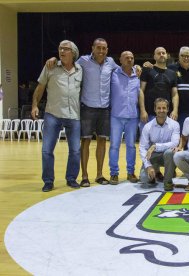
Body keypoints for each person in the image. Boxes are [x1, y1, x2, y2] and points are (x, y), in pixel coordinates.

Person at [46, 38, 118, 186]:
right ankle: (84, 176)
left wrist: (137, 66)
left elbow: (124, 68)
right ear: (92, 48)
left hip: (104, 108)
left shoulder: (111, 63)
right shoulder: (83, 61)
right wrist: (54, 59)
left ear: (107, 50)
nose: (101, 51)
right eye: (98, 47)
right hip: (87, 108)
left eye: (104, 48)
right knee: (85, 141)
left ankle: (99, 175)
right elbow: (67, 63)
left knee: (102, 141)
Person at [31, 40, 82, 192]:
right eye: (60, 49)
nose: (62, 51)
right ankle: (48, 181)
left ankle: (71, 178)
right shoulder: (50, 67)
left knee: (75, 150)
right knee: (47, 150)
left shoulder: (80, 69)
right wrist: (34, 105)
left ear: (73, 53)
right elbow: (40, 88)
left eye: (66, 49)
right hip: (53, 113)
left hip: (73, 115)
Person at [108, 51, 143, 185]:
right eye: (126, 58)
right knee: (114, 146)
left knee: (131, 146)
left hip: (133, 116)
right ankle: (114, 174)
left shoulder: (138, 75)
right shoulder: (114, 73)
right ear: (120, 60)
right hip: (116, 116)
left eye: (132, 58)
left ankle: (130, 172)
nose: (129, 60)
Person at [139, 98, 180, 191]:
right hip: (153, 156)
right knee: (144, 178)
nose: (161, 110)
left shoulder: (175, 125)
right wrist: (148, 166)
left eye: (164, 108)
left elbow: (175, 143)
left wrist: (155, 146)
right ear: (155, 109)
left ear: (168, 109)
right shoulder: (147, 126)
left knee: (170, 153)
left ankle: (168, 182)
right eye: (159, 108)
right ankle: (155, 171)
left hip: (167, 156)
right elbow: (142, 148)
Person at [139, 47, 179, 131]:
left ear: (167, 56)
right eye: (158, 53)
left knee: (165, 143)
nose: (161, 55)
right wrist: (142, 110)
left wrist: (175, 110)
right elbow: (141, 91)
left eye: (163, 53)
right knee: (146, 143)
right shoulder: (147, 70)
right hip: (148, 114)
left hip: (166, 115)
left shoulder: (172, 74)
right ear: (154, 56)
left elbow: (174, 94)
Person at [168, 46, 189, 129]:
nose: (186, 58)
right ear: (179, 56)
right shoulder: (170, 69)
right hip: (176, 113)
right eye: (183, 55)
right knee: (178, 138)